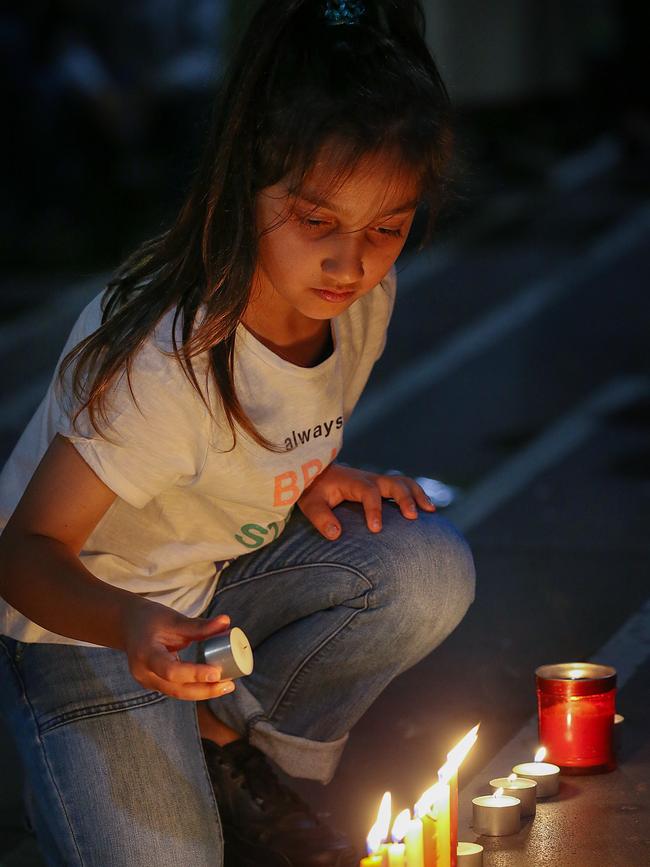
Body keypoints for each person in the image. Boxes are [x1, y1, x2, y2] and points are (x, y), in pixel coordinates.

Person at [0, 1, 476, 865]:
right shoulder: (166, 356)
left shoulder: (362, 296)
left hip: (208, 585)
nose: (351, 263)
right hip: (84, 617)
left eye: (388, 229)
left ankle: (221, 744)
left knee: (424, 565)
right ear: (245, 187)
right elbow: (23, 552)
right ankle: (55, 754)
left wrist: (311, 469)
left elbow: (265, 419)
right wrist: (130, 624)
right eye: (318, 220)